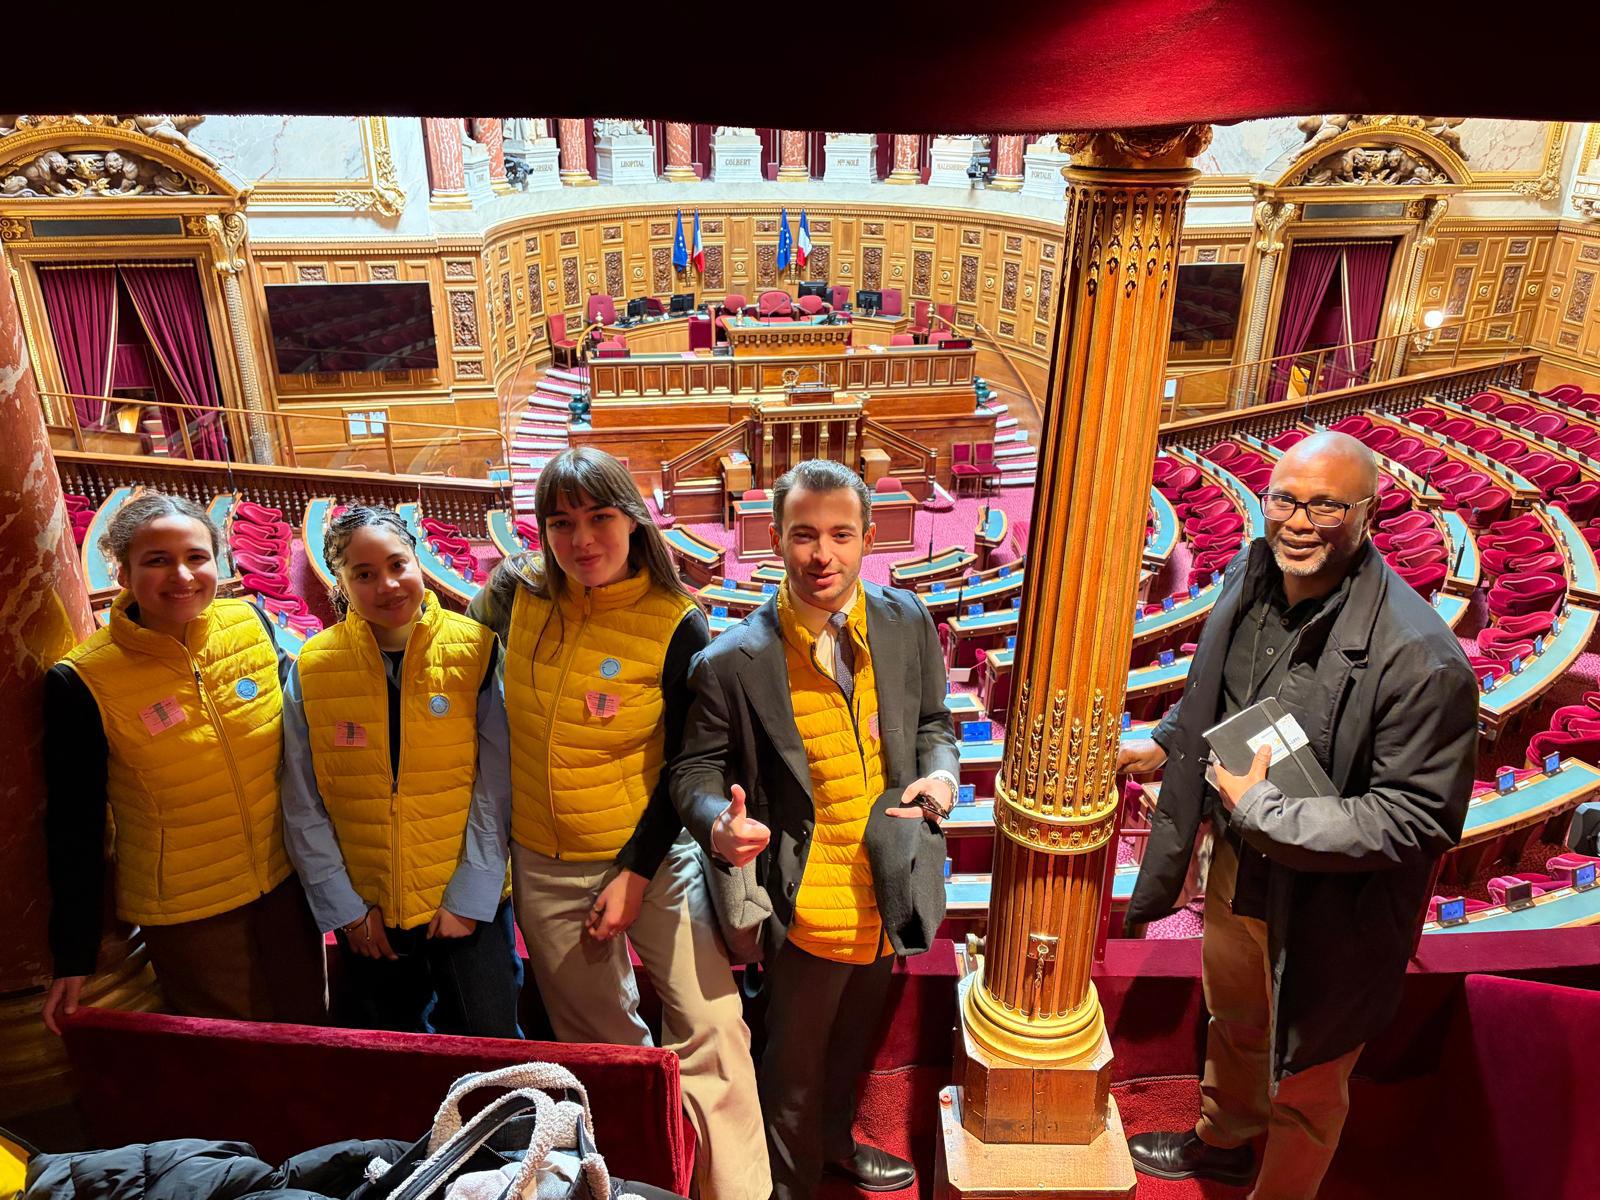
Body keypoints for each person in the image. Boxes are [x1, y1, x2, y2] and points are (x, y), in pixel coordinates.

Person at [1120, 432, 1477, 1199]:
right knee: (1236, 1018)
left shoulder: (1421, 656)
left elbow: (1417, 818)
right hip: (1239, 865)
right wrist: (1168, 739)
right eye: (1285, 499)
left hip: (1331, 910)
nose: (1300, 521)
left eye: (1326, 506)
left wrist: (1267, 811)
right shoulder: (1251, 578)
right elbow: (1223, 688)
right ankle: (1224, 1138)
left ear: (1369, 514)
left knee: (1308, 1081)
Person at [467, 447, 769, 1200]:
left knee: (711, 1030)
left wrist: (634, 872)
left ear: (634, 520)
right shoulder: (515, 596)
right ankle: (638, 1185)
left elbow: (685, 766)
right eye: (560, 522)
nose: (581, 539)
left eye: (600, 516)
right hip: (546, 865)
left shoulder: (677, 622)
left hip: (657, 859)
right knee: (601, 1053)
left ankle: (736, 1192)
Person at [671, 458, 961, 1200]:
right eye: (803, 535)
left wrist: (941, 778)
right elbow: (693, 774)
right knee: (792, 1074)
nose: (821, 554)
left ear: (870, 537)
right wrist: (717, 825)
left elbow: (935, 725)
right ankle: (791, 1187)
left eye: (840, 534)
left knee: (851, 1047)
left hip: (888, 881)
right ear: (774, 538)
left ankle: (836, 1145)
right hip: (802, 900)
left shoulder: (905, 620)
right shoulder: (730, 661)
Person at [42, 493, 325, 1032]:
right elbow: (75, 826)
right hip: (189, 911)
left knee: (314, 1028)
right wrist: (73, 953)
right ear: (123, 573)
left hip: (287, 883)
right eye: (157, 560)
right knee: (235, 1055)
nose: (182, 575)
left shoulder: (251, 624)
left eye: (197, 557)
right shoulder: (82, 680)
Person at [280, 506, 521, 1037]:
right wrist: (345, 908)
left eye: (396, 565)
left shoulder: (477, 652)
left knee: (492, 1041)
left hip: (465, 904)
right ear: (340, 582)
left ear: (418, 561)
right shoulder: (313, 667)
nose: (386, 585)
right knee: (394, 1052)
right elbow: (301, 800)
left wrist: (470, 896)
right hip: (369, 911)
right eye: (364, 574)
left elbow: (497, 788)